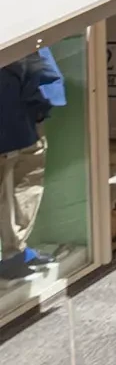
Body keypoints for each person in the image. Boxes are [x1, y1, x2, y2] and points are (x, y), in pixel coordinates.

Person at [0, 47, 64, 281]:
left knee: (17, 185)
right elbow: (37, 65)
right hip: (15, 116)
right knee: (21, 184)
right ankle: (14, 255)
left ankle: (15, 252)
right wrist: (41, 106)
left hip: (14, 111)